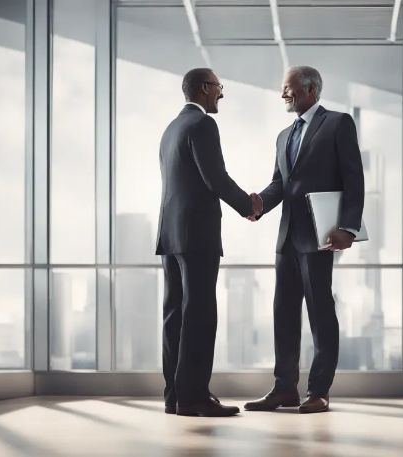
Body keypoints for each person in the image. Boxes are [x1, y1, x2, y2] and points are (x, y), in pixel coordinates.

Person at [244, 66, 364, 414]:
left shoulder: (338, 124)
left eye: (288, 88)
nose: (283, 94)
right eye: (282, 89)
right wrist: (258, 205)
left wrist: (349, 227)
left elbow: (354, 179)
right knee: (283, 313)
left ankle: (319, 391)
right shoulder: (284, 136)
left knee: (321, 313)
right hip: (287, 239)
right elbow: (281, 183)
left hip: (320, 236)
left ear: (311, 89)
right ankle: (284, 389)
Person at [156, 68, 263, 416]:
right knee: (200, 314)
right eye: (219, 87)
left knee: (175, 315)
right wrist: (249, 206)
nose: (222, 93)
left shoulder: (171, 129)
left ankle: (175, 395)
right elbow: (215, 177)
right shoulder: (203, 125)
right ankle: (194, 398)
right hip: (197, 234)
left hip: (170, 235)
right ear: (204, 88)